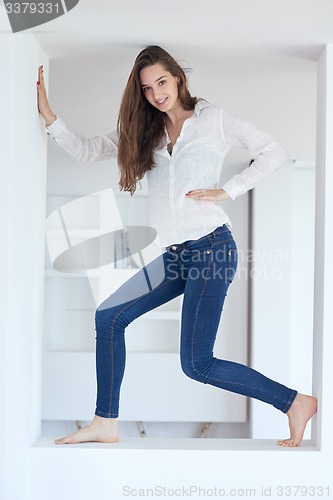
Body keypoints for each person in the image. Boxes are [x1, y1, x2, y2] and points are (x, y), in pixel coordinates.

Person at [37, 45, 317, 447]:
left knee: (197, 364)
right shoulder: (146, 131)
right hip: (173, 256)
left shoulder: (214, 120)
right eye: (147, 88)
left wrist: (228, 190)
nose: (156, 93)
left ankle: (293, 402)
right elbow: (86, 150)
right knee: (109, 318)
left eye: (162, 82)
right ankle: (105, 421)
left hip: (212, 248)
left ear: (178, 78)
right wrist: (49, 116)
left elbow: (274, 152)